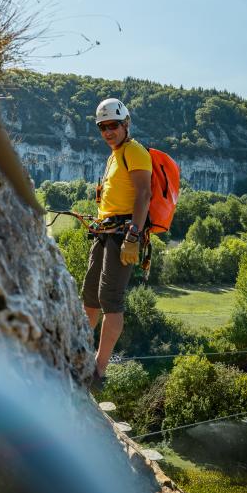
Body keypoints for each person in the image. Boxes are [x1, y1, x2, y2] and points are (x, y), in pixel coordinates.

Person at [82, 98, 152, 388]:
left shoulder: (134, 152)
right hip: (106, 231)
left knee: (111, 299)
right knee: (89, 294)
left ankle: (98, 370)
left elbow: (144, 194)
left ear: (125, 124)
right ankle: (77, 350)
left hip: (124, 234)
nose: (107, 131)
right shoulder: (115, 155)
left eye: (112, 125)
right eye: (102, 127)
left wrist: (133, 235)